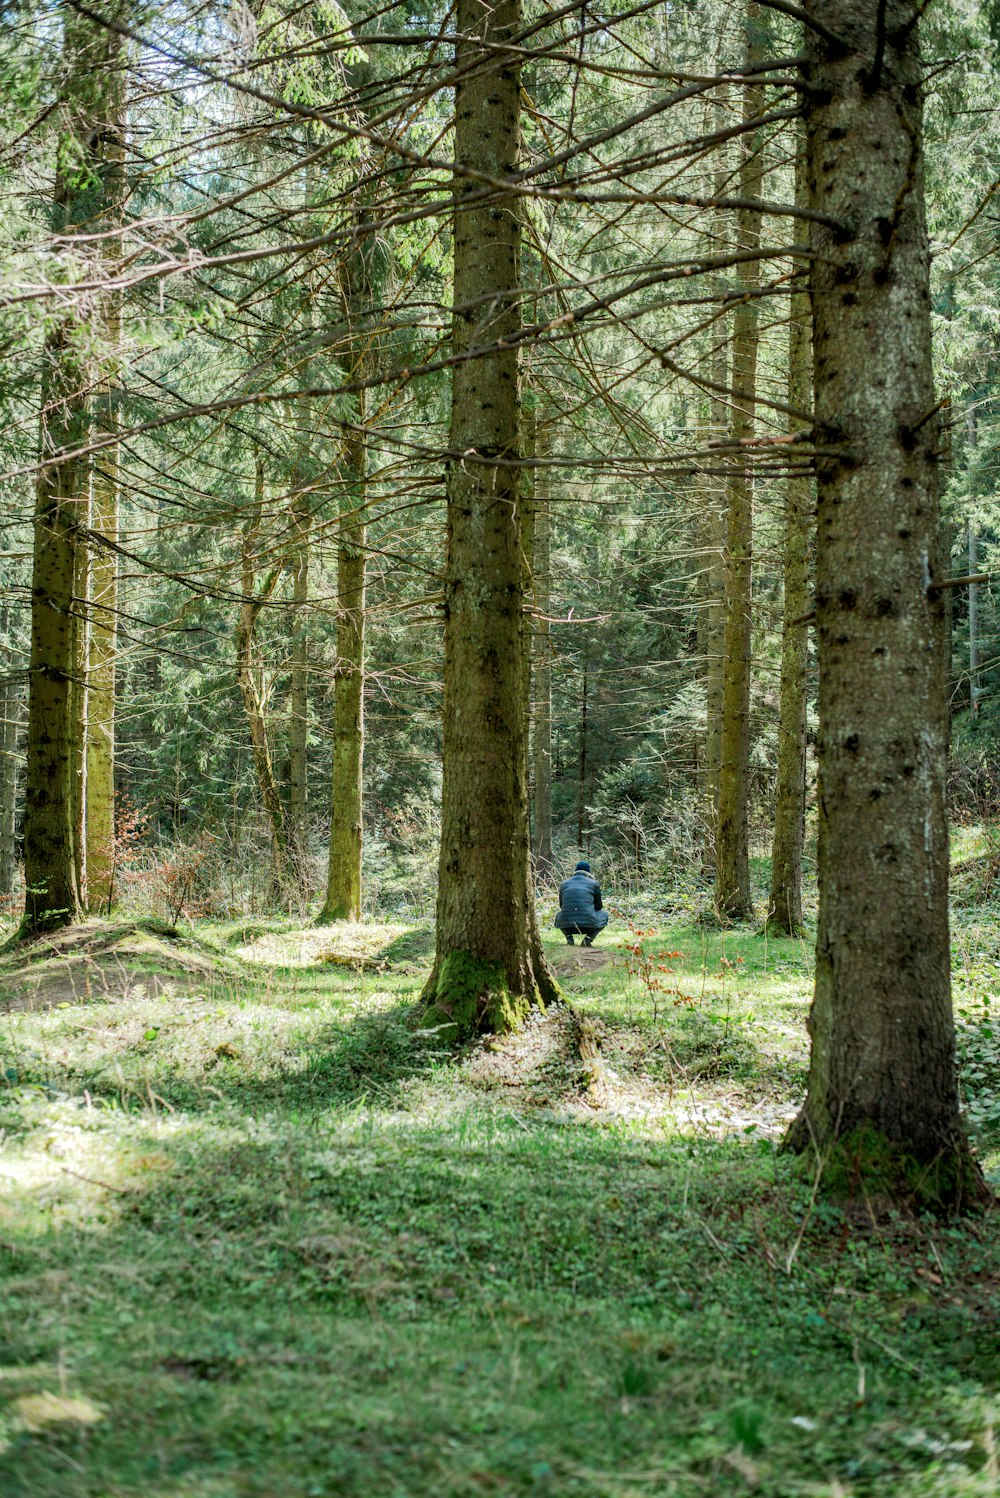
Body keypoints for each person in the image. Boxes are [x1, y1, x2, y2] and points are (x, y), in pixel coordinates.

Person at [554, 859, 609, 946]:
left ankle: (569, 937)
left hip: (567, 924)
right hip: (589, 925)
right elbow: (598, 907)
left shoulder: (564, 884)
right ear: (588, 872)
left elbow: (562, 906)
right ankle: (588, 939)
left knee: (560, 915)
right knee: (604, 915)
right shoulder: (594, 884)